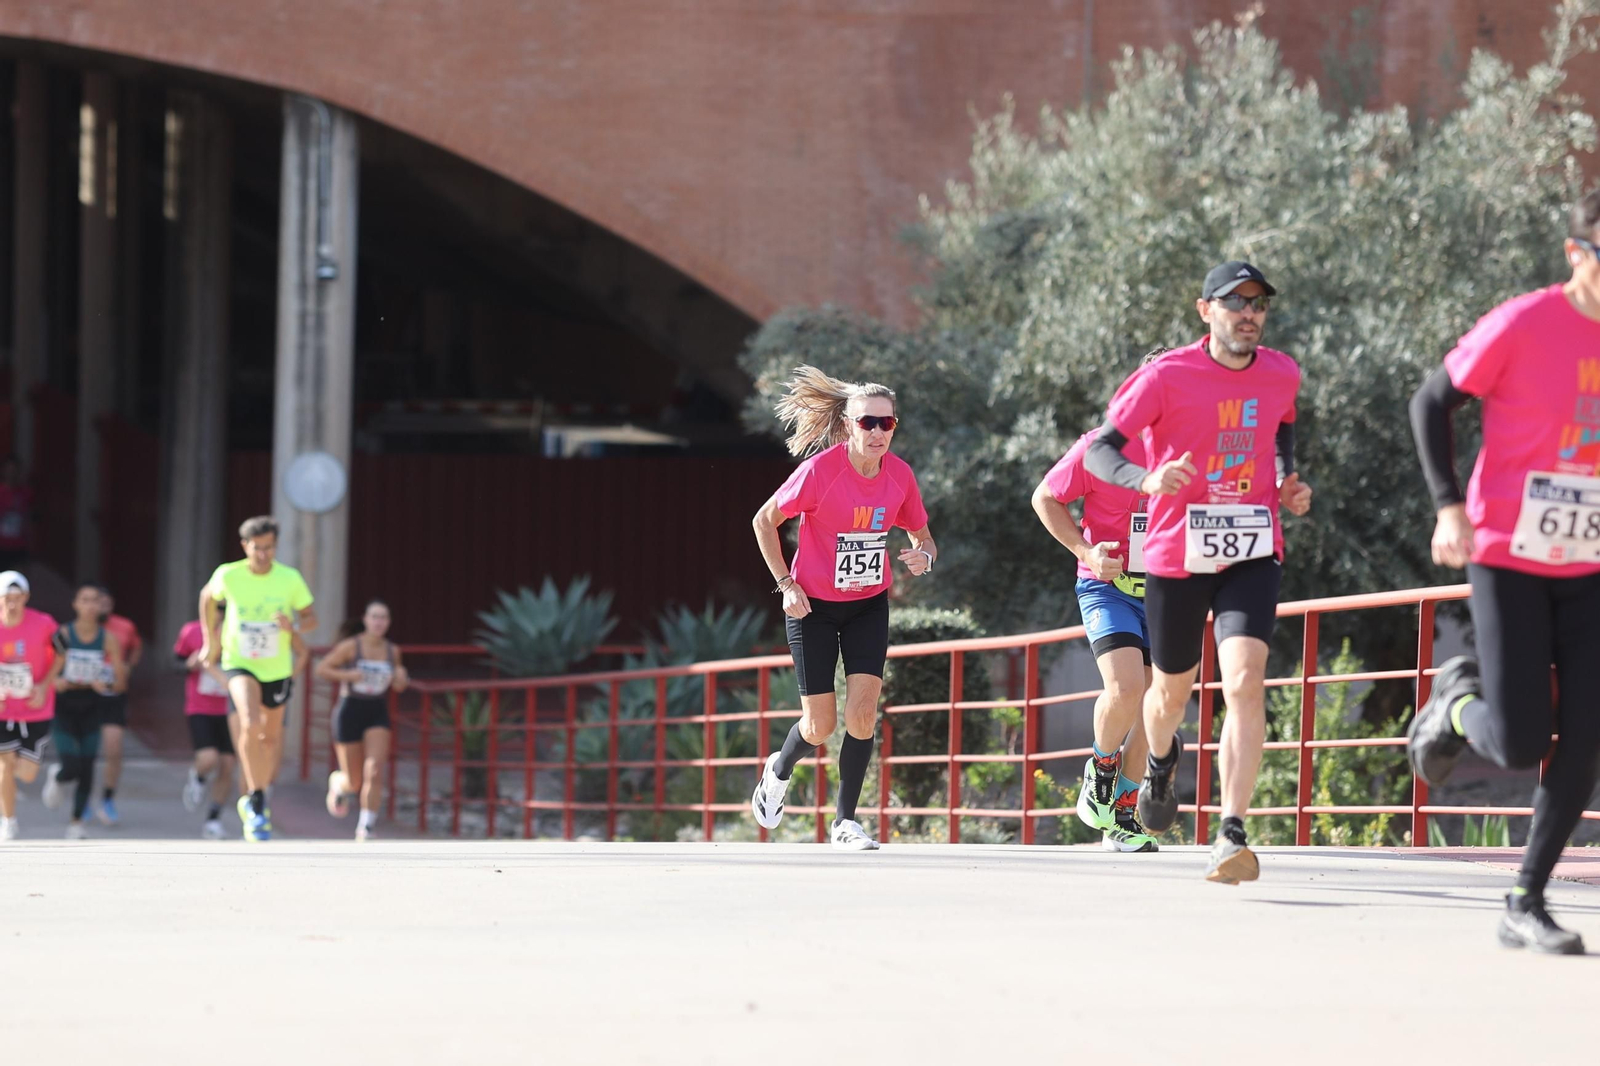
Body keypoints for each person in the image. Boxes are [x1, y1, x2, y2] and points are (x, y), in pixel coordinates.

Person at [1405, 188, 1600, 956]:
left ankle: (1527, 897)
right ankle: (1455, 703)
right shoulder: (1524, 323)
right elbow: (1431, 402)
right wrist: (1449, 506)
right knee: (1519, 743)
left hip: (1589, 559)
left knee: (1584, 738)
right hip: (1507, 553)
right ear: (1576, 255)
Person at [1085, 261, 1312, 884]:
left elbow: (1285, 422)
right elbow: (1102, 449)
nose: (1249, 313)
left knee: (1244, 681)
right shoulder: (1166, 376)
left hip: (1251, 548)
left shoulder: (1280, 371)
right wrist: (1146, 479)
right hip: (1177, 554)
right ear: (1204, 309)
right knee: (1168, 696)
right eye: (1234, 302)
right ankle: (1159, 762)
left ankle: (1232, 830)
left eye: (1259, 304)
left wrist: (1284, 478)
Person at [749, 366, 936, 851]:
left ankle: (845, 823)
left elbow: (922, 535)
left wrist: (925, 556)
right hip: (812, 607)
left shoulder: (900, 477)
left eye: (886, 423)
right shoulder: (819, 473)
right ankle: (779, 768)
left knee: (862, 716)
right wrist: (785, 583)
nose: (877, 432)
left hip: (868, 605)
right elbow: (763, 522)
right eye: (867, 423)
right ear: (849, 426)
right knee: (820, 726)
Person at [1031, 347, 1170, 853]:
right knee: (1127, 685)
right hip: (1107, 586)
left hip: (1166, 592)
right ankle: (1102, 768)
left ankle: (1124, 818)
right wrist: (1086, 551)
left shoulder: (1192, 451)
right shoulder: (1099, 447)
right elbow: (1045, 497)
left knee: (1156, 703)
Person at [200, 516, 317, 843]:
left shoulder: (289, 578)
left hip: (276, 668)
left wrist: (292, 626)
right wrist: (211, 641)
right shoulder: (229, 574)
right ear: (245, 546)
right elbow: (208, 597)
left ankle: (259, 793)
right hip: (239, 662)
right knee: (249, 722)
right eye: (257, 548)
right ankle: (255, 799)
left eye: (269, 548)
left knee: (270, 739)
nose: (264, 554)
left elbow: (311, 619)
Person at [316, 601, 408, 841]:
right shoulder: (351, 646)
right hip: (350, 710)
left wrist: (401, 677)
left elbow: (399, 683)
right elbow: (323, 669)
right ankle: (338, 782)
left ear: (388, 622)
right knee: (354, 780)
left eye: (384, 618)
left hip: (377, 710)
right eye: (375, 617)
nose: (379, 622)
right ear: (366, 620)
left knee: (374, 769)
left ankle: (366, 825)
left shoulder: (392, 650)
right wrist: (348, 675)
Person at [41, 584, 126, 838]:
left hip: (92, 706)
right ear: (75, 604)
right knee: (72, 764)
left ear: (101, 606)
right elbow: (45, 670)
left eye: (95, 601)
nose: (90, 605)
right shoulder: (62, 634)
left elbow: (120, 682)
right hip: (65, 706)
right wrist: (56, 683)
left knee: (88, 764)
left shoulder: (108, 639)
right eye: (85, 600)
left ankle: (76, 822)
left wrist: (106, 683)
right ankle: (57, 776)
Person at [0, 571, 59, 841]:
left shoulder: (44, 623)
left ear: (26, 597)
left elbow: (63, 651)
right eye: (6, 598)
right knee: (4, 765)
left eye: (17, 597)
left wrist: (45, 684)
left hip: (36, 708)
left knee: (25, 774)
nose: (12, 603)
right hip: (3, 710)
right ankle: (8, 821)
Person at [174, 617, 236, 839]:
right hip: (200, 707)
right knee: (208, 759)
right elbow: (176, 663)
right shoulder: (192, 631)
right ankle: (198, 776)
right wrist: (190, 664)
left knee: (228, 766)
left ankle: (213, 820)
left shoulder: (241, 632)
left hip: (231, 709)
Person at [94, 586, 143, 826]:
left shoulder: (124, 626)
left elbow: (136, 646)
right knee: (83, 754)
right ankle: (81, 800)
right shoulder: (77, 630)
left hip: (114, 695)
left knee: (113, 750)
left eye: (105, 602)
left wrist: (128, 668)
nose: (101, 607)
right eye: (95, 602)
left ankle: (107, 799)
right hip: (85, 697)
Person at [0, 458, 34, 572]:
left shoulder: (25, 493)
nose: (11, 474)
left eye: (14, 470)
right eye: (9, 470)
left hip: (19, 545)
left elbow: (28, 517)